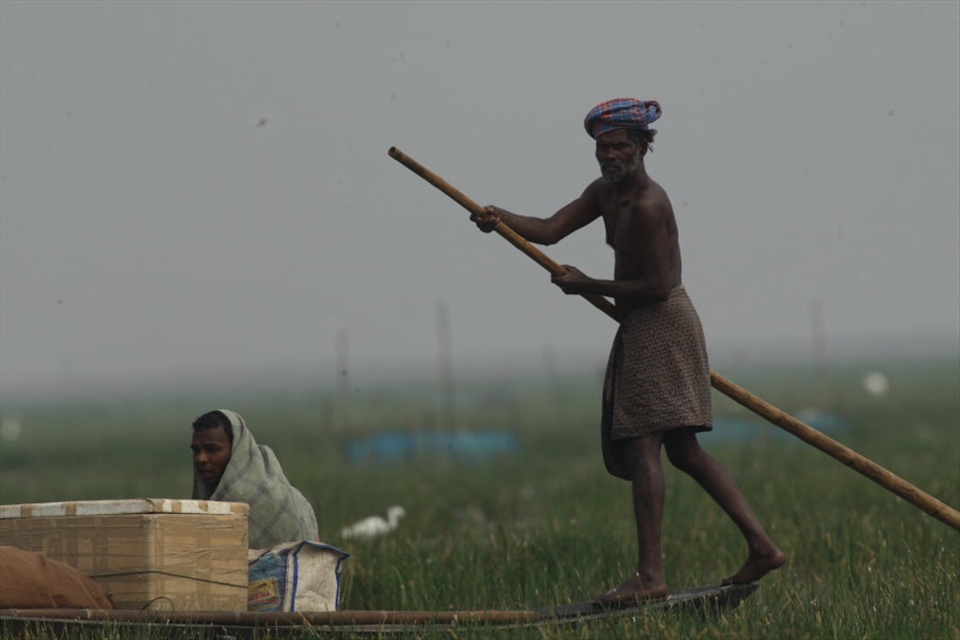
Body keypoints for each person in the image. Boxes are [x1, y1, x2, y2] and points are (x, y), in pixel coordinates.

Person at [470, 98, 785, 606]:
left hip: (661, 324)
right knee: (681, 450)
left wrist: (585, 284)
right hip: (639, 321)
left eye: (619, 146)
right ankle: (763, 547)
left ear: (643, 146)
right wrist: (500, 219)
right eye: (602, 147)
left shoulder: (648, 205)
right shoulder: (605, 192)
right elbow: (550, 228)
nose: (609, 155)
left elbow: (659, 286)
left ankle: (649, 576)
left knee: (645, 448)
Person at [191, 409, 320, 549]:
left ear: (236, 451)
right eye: (196, 450)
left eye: (212, 449)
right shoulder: (211, 495)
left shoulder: (252, 498)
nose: (200, 459)